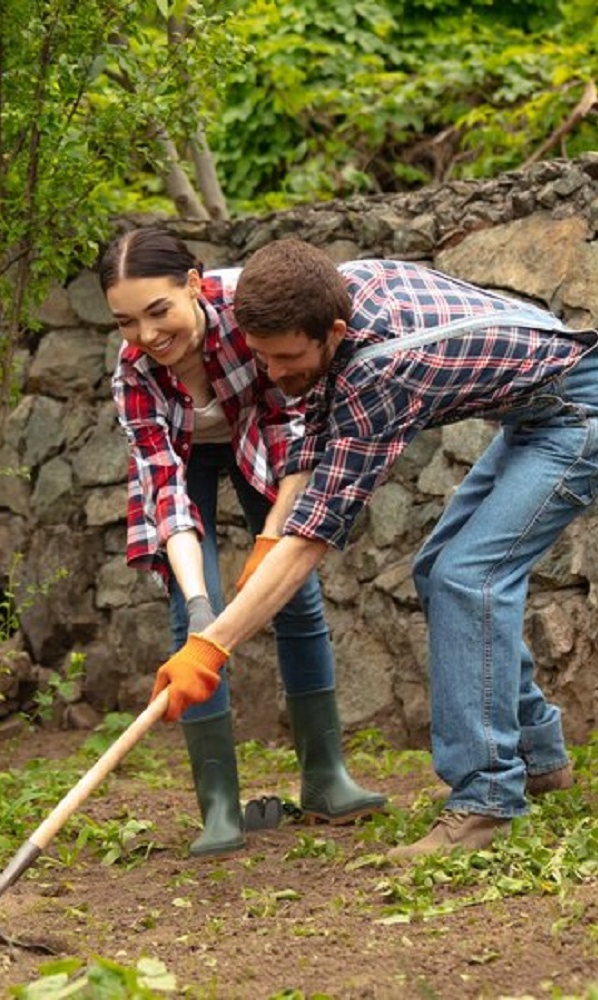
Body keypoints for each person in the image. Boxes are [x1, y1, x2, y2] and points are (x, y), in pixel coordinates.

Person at [151, 239, 598, 860]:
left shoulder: (382, 371)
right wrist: (271, 534)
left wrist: (211, 645)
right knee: (437, 569)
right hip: (537, 416)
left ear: (333, 332)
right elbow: (315, 427)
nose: (272, 372)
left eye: (287, 357)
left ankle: (486, 799)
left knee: (468, 577)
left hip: (582, 415)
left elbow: (314, 537)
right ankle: (538, 757)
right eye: (261, 355)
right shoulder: (325, 293)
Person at [97, 228, 387, 858]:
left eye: (158, 311)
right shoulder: (134, 375)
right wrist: (203, 604)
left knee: (294, 593)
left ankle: (326, 778)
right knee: (190, 619)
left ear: (193, 285)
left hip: (267, 438)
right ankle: (220, 810)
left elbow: (299, 424)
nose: (147, 335)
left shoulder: (249, 312)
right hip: (185, 460)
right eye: (126, 322)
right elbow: (166, 493)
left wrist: (272, 539)